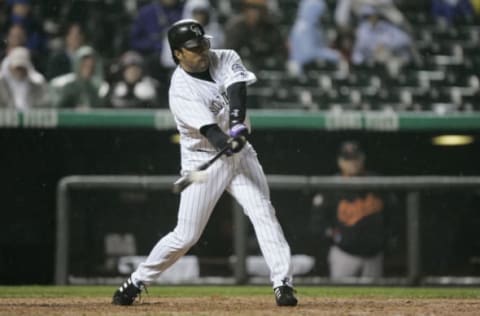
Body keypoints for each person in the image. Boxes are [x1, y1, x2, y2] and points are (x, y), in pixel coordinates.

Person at [112, 19, 298, 307]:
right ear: (177, 54)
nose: (202, 51)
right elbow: (211, 133)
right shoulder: (180, 90)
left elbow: (237, 88)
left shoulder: (224, 56)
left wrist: (237, 126)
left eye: (203, 44)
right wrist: (227, 139)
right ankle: (138, 280)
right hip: (204, 161)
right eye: (193, 48)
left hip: (241, 155)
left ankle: (282, 283)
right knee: (186, 236)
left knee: (264, 213)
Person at [309, 141, 396, 279]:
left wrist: (385, 237)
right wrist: (333, 235)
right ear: (340, 162)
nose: (352, 163)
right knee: (340, 297)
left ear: (363, 159)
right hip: (344, 254)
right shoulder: (331, 186)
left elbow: (392, 215)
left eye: (355, 158)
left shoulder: (377, 182)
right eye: (347, 159)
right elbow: (317, 223)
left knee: (376, 297)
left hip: (374, 255)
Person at [224, 0, 286, 70]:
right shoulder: (236, 27)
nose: (254, 13)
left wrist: (272, 61)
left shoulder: (271, 28)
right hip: (241, 68)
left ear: (264, 11)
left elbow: (281, 53)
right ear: (245, 10)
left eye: (258, 9)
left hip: (267, 68)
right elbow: (229, 55)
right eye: (251, 8)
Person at [287, 0, 342, 76]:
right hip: (302, 66)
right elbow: (309, 53)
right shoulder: (304, 27)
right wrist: (334, 56)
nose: (321, 16)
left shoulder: (313, 26)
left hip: (309, 64)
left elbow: (320, 45)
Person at [351, 6, 416, 68]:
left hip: (388, 56)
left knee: (395, 61)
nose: (372, 18)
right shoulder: (362, 30)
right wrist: (375, 49)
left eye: (374, 16)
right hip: (370, 60)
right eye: (369, 16)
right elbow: (359, 51)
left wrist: (386, 45)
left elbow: (405, 39)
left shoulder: (385, 26)